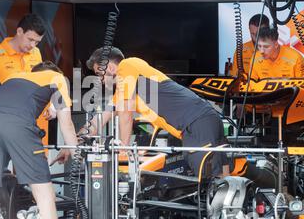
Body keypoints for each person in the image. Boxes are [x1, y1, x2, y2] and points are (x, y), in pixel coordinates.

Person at [57, 47, 228, 178]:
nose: (99, 80)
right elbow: (97, 122)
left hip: (196, 122)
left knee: (209, 181)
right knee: (222, 178)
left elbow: (126, 113)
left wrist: (123, 152)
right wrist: (71, 145)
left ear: (108, 67)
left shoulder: (128, 65)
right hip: (202, 121)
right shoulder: (123, 90)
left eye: (98, 73)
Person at [0, 61, 78, 219]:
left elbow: (13, 103)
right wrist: (77, 156)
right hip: (18, 126)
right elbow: (67, 125)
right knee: (45, 195)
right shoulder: (57, 78)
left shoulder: (14, 77)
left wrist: (52, 109)